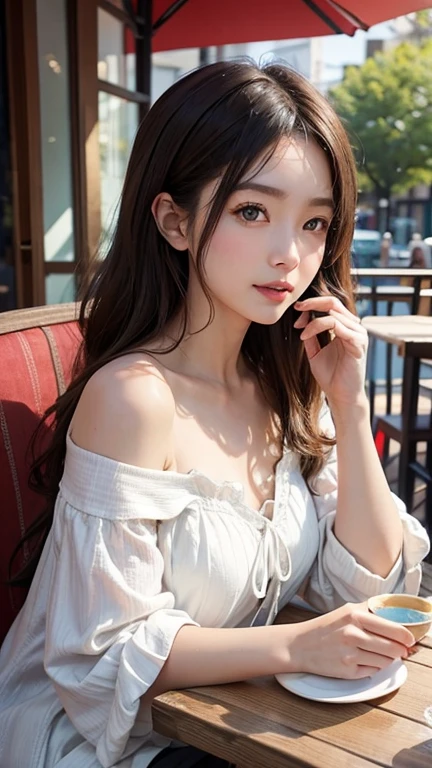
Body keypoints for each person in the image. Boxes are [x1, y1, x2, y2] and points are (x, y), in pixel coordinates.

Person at [0, 60, 429, 768]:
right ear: (174, 220)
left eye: (315, 222)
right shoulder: (135, 398)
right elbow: (99, 654)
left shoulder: (287, 382)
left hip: (235, 719)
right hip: (100, 742)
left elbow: (369, 582)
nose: (290, 255)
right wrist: (295, 644)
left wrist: (350, 407)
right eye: (252, 211)